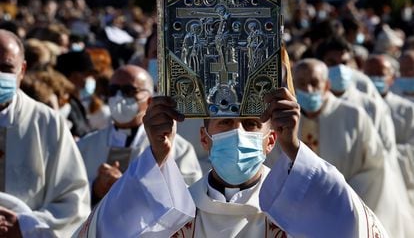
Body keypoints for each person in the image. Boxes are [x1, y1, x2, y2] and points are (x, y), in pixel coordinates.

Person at [75, 85, 388, 237]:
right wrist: (156, 156)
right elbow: (106, 233)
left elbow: (353, 229)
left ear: (271, 141)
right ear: (203, 138)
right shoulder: (175, 215)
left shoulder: (296, 214)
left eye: (251, 124)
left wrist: (296, 149)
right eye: (224, 123)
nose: (237, 133)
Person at [282, 58, 413, 237]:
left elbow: (376, 168)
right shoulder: (285, 124)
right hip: (301, 216)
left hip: (348, 211)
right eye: (302, 84)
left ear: (327, 85)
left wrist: (339, 195)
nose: (309, 90)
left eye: (314, 83)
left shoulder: (354, 117)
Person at [0, 29, 90, 236]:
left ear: (22, 70)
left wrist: (23, 226)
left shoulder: (47, 123)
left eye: (5, 68)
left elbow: (74, 200)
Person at [77, 65, 202, 206]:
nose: (119, 97)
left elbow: (189, 199)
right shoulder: (85, 146)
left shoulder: (178, 149)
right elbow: (68, 193)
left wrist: (130, 187)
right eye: (113, 91)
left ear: (149, 100)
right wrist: (95, 189)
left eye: (128, 91)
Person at [315, 36, 395, 152]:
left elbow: (384, 148)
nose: (340, 68)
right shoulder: (310, 106)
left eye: (344, 62)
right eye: (332, 63)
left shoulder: (369, 104)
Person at [363, 54, 414, 206]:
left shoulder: (407, 109)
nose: (374, 79)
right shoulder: (355, 108)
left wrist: (379, 156)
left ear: (392, 77)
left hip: (402, 190)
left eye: (380, 74)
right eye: (370, 74)